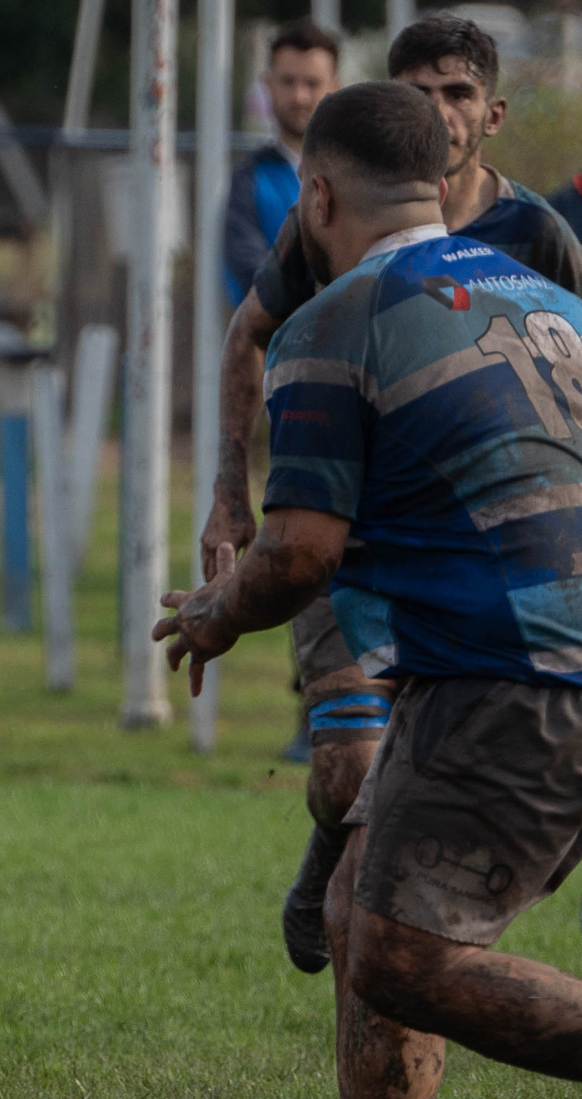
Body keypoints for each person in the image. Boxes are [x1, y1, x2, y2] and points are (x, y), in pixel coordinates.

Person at [160, 79, 582, 1099]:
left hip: (517, 678)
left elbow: (299, 551)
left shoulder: (334, 322)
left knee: (398, 954)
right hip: (519, 668)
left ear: (318, 192)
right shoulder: (552, 297)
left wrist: (215, 612)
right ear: (441, 184)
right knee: (359, 905)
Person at [200, 12, 582, 978]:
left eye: (456, 94)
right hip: (343, 516)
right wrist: (229, 493)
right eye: (417, 93)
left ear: (490, 115)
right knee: (346, 774)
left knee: (400, 905)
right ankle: (339, 853)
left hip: (481, 558)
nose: (436, 112)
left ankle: (370, 900)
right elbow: (251, 333)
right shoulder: (325, 239)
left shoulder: (537, 234)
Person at [222, 18, 339, 309]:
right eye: (288, 82)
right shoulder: (248, 178)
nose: (299, 96)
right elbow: (251, 277)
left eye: (312, 84)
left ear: (335, 87)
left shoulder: (362, 173)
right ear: (268, 84)